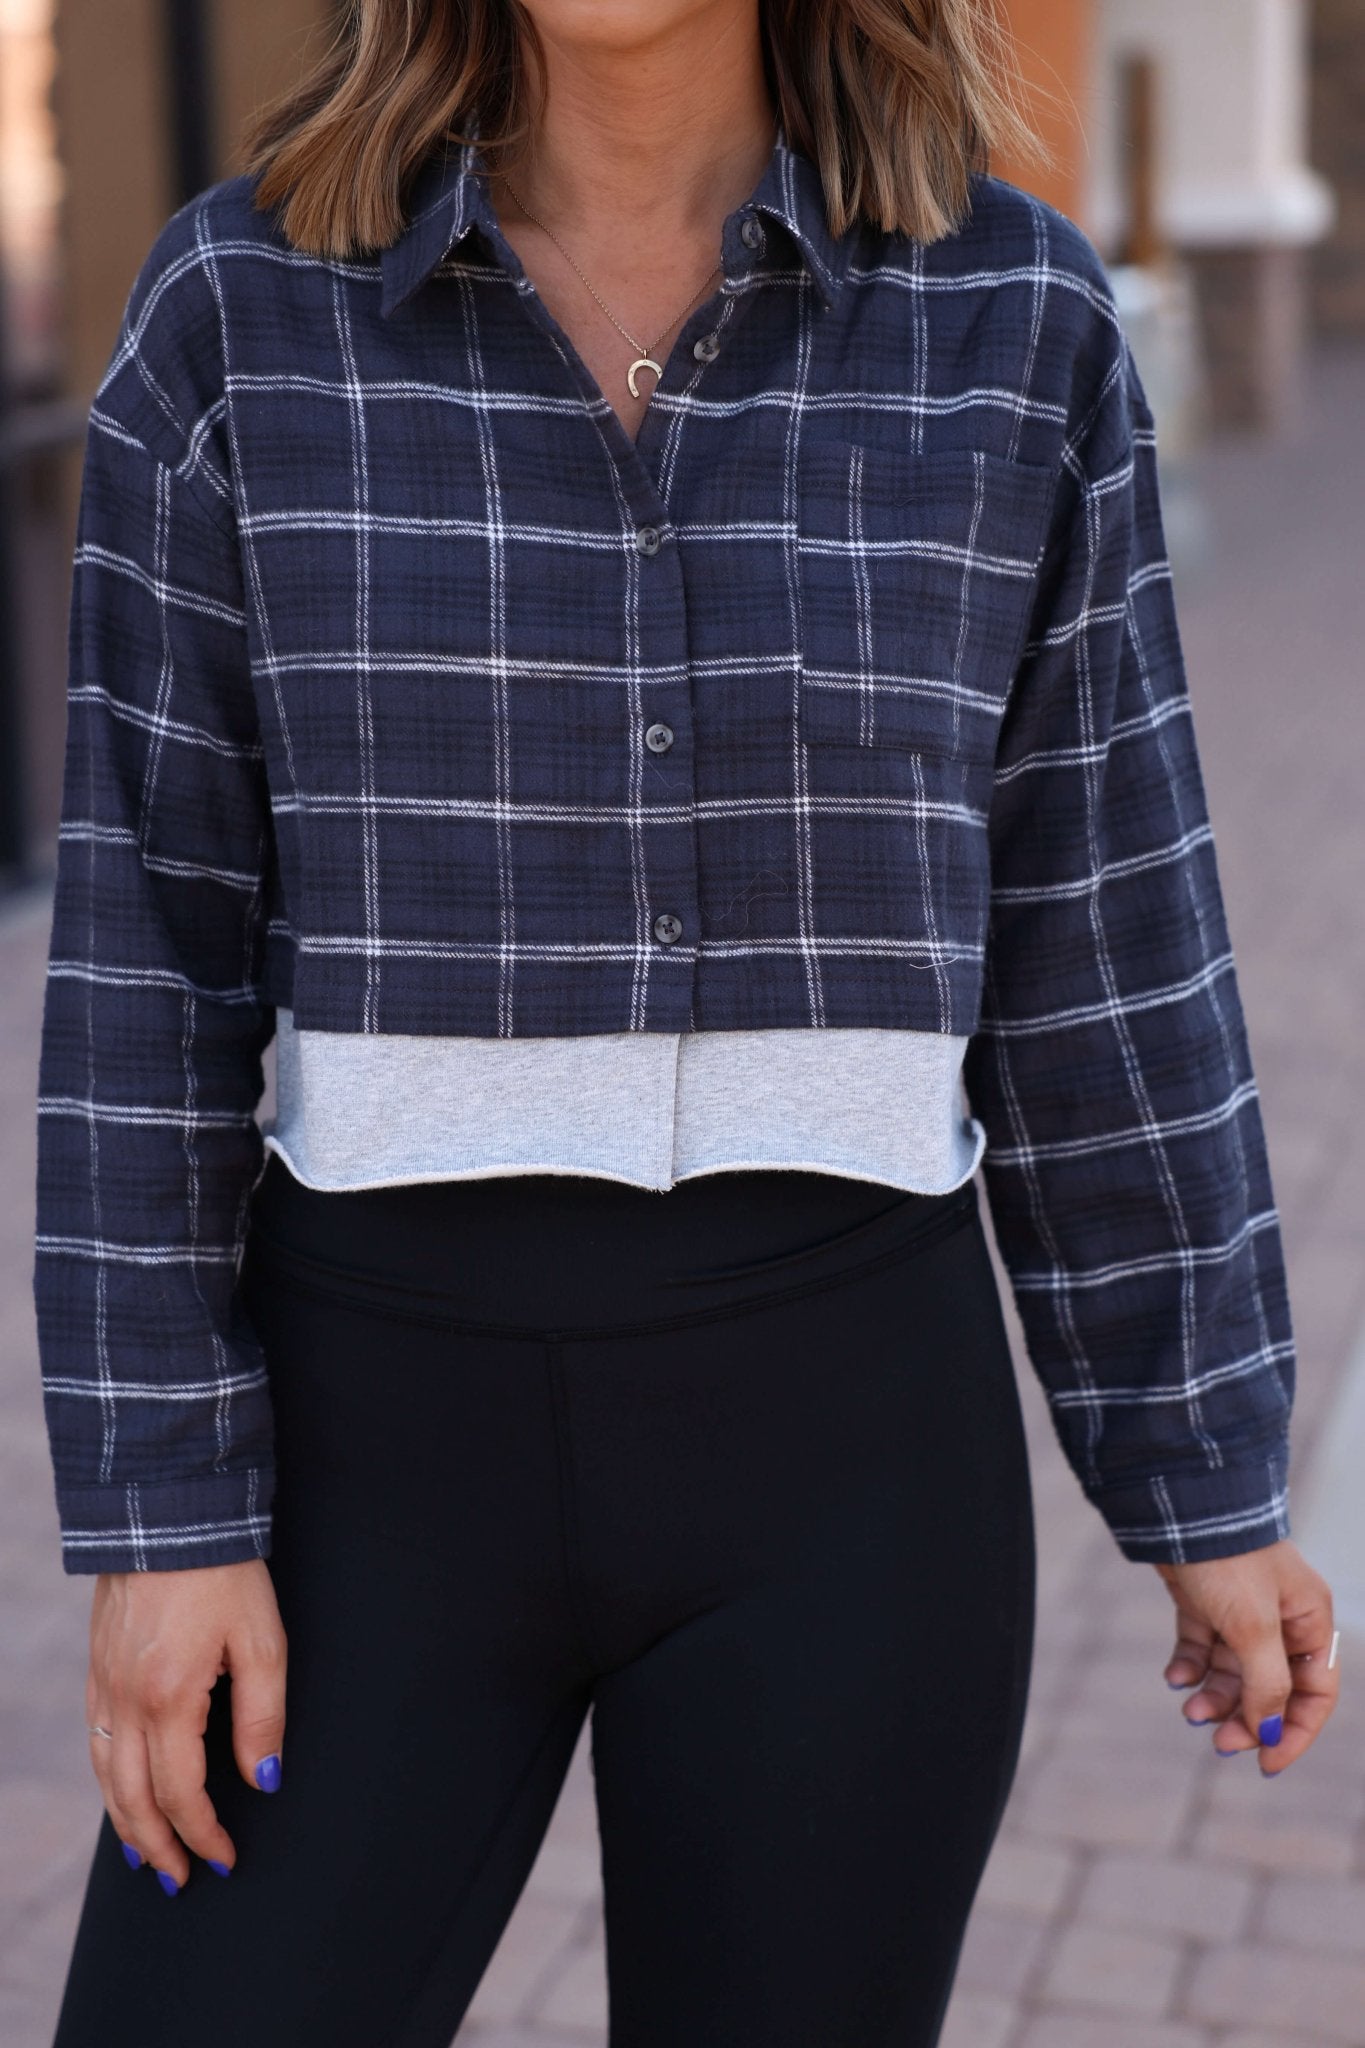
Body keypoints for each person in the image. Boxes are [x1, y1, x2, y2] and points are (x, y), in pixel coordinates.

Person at [33, 1, 1339, 2043]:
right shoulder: (237, 310)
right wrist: (160, 1512)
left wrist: (1202, 1471)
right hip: (359, 1454)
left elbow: (1100, 924)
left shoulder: (1013, 323)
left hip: (844, 1463)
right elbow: (144, 943)